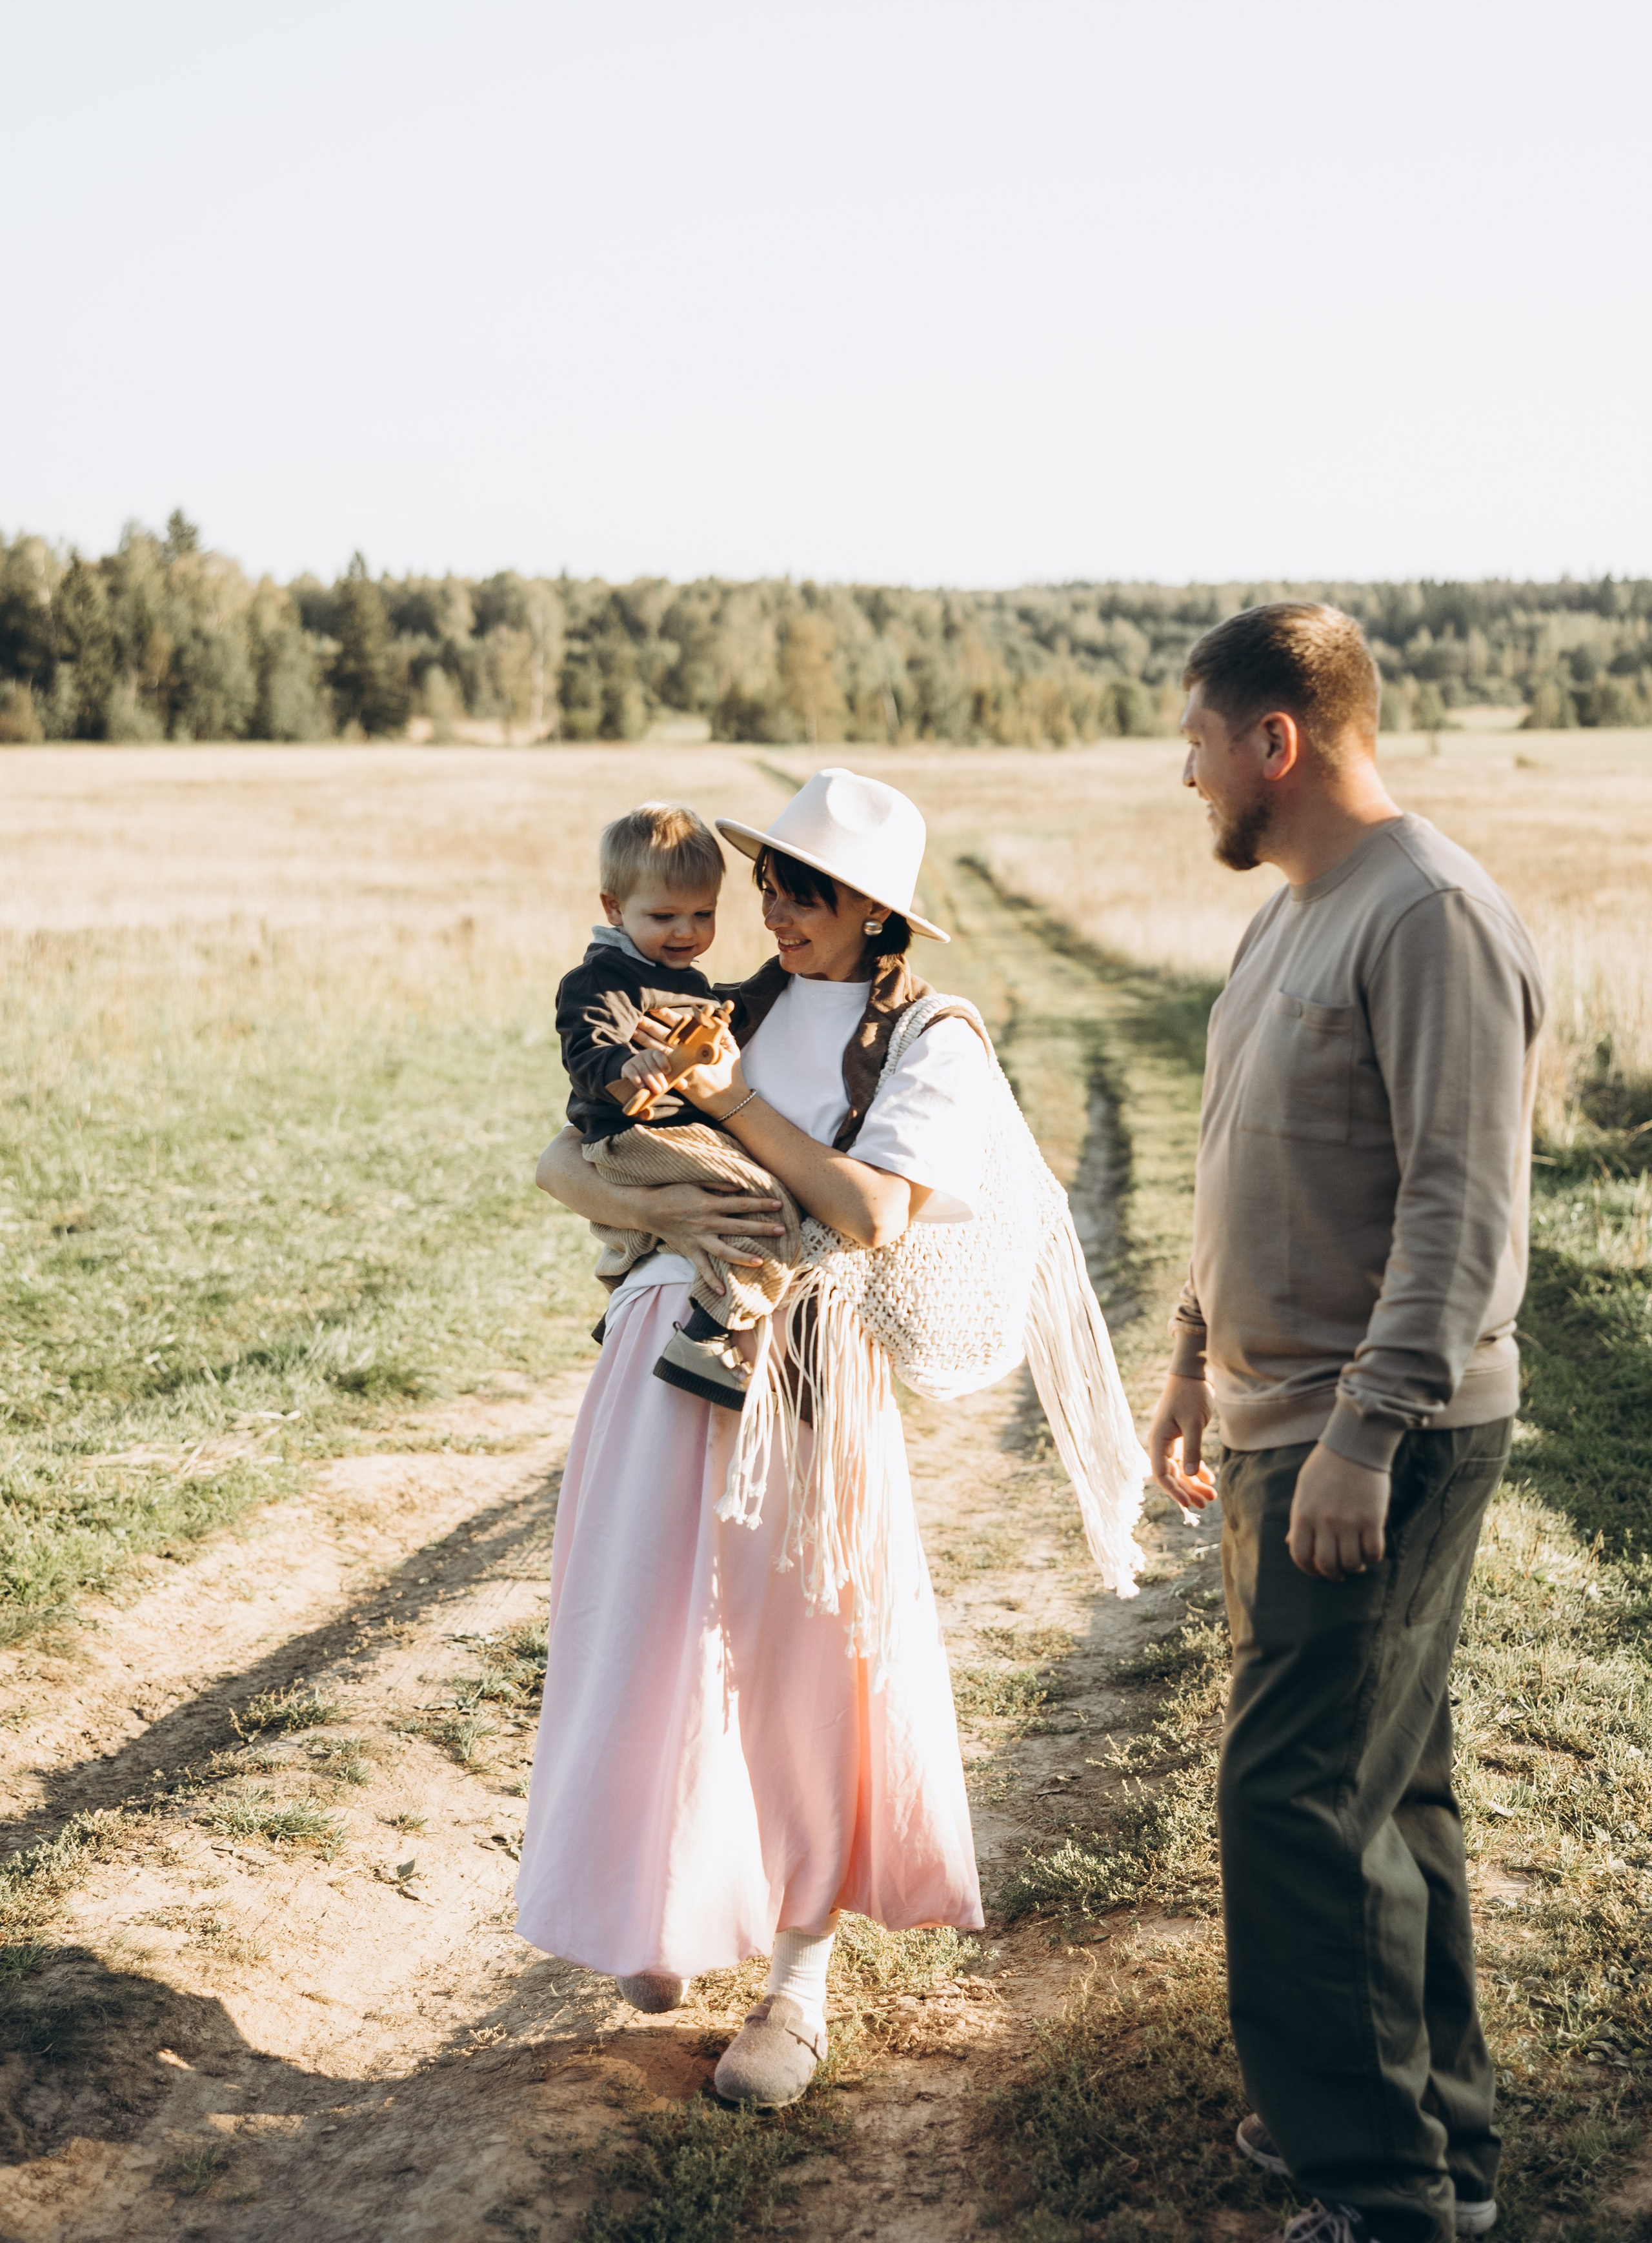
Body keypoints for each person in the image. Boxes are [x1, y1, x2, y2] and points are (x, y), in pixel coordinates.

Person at [518, 767, 1144, 2107]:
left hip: (810, 1382)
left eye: (803, 890)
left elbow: (867, 1217)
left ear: (873, 909)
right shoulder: (725, 999)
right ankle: (661, 1905)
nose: (772, 907)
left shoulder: (931, 1041)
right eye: (770, 881)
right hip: (658, 1352)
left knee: (803, 1672)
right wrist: (679, 1216)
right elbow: (560, 1163)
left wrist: (736, 1112)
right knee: (642, 1638)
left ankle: (794, 1985)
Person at [1148, 605, 1545, 2243]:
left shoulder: (1427, 910)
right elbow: (1240, 1150)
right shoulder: (1287, 917)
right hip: (1271, 1419)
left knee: (1293, 1797)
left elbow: (1459, 1208)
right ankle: (1419, 2127)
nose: (1185, 778)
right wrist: (1186, 1354)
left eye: (1193, 743)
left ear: (1273, 742)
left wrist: (1365, 1432)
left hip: (1367, 1431)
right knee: (1379, 1788)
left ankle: (1381, 2190)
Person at [554, 801, 802, 1409]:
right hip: (634, 1138)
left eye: (703, 914)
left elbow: (717, 1021)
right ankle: (703, 1338)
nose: (686, 932)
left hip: (678, 1134)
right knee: (757, 1206)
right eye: (664, 916)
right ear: (614, 907)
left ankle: (628, 1317)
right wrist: (626, 1066)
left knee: (743, 1203)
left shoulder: (683, 975)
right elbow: (587, 1054)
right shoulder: (603, 979)